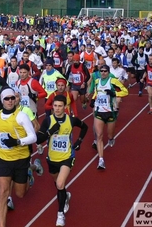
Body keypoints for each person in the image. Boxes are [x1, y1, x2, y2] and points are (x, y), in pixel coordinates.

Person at [0, 87, 37, 227]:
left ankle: (29, 172)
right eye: (7, 99)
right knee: (3, 191)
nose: (10, 101)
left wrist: (18, 141)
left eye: (12, 98)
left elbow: (33, 137)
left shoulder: (21, 116)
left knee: (20, 194)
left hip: (21, 158)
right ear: (2, 101)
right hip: (3, 159)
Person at [36, 95, 88, 227]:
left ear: (65, 107)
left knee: (59, 184)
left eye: (60, 106)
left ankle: (60, 215)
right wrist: (50, 133)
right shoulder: (48, 120)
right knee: (59, 185)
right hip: (52, 159)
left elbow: (85, 127)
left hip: (67, 157)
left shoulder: (71, 120)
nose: (57, 109)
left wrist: (79, 141)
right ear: (52, 107)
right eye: (55, 106)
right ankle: (65, 196)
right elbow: (38, 139)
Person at [87, 65, 128, 170]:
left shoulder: (113, 81)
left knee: (110, 134)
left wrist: (114, 93)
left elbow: (125, 91)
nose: (103, 73)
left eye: (105, 71)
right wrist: (93, 99)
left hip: (110, 112)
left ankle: (111, 138)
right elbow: (97, 92)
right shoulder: (97, 81)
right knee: (99, 136)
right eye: (101, 71)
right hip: (99, 112)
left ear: (108, 72)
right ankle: (101, 160)